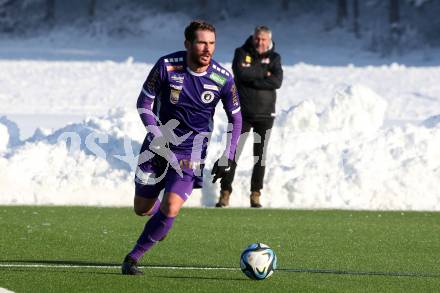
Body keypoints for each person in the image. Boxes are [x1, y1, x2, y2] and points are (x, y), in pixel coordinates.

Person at [121, 20, 242, 275]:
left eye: (211, 43)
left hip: (191, 153)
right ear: (187, 44)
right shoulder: (166, 65)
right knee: (141, 208)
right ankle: (159, 222)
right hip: (156, 147)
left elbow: (236, 118)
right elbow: (144, 103)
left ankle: (132, 258)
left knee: (172, 206)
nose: (207, 49)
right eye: (201, 43)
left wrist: (229, 156)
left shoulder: (223, 78)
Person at [215, 25, 283, 208]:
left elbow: (277, 81)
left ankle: (255, 194)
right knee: (233, 153)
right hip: (242, 114)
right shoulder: (241, 52)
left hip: (265, 115)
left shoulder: (275, 58)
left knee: (260, 156)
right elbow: (240, 73)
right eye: (258, 38)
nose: (260, 42)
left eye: (264, 39)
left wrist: (253, 73)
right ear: (254, 38)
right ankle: (225, 192)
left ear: (269, 40)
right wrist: (264, 72)